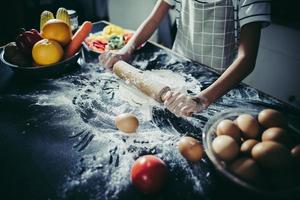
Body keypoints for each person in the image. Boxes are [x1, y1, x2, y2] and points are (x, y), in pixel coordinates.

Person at [99, 0, 271, 117]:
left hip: (217, 84)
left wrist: (201, 100)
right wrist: (127, 49)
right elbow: (153, 20)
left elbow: (246, 59)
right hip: (177, 71)